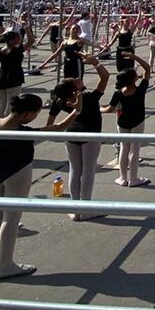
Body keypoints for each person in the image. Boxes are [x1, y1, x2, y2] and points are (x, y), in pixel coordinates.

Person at [0, 92, 81, 280]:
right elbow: (58, 128)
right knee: (11, 218)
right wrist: (76, 111)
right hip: (16, 172)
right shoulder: (25, 132)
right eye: (36, 113)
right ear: (28, 114)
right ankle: (6, 265)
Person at [48, 54, 109, 220]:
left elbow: (51, 117)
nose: (77, 78)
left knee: (74, 170)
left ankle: (75, 209)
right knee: (88, 171)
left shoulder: (61, 101)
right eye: (74, 80)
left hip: (71, 134)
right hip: (90, 134)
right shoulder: (89, 98)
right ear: (75, 88)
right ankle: (85, 208)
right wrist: (95, 62)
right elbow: (105, 77)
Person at [102, 52, 152, 187]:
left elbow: (109, 109)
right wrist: (135, 57)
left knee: (124, 149)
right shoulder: (140, 89)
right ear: (134, 79)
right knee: (135, 150)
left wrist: (98, 109)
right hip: (138, 120)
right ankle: (134, 178)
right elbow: (148, 69)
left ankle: (122, 178)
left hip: (122, 120)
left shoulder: (118, 93)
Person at [0, 27, 34, 116]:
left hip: (1, 77)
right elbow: (31, 41)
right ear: (11, 41)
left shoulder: (0, 50)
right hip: (14, 77)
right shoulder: (17, 50)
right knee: (11, 104)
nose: (19, 40)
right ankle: (6, 124)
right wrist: (27, 28)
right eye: (17, 38)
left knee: (2, 104)